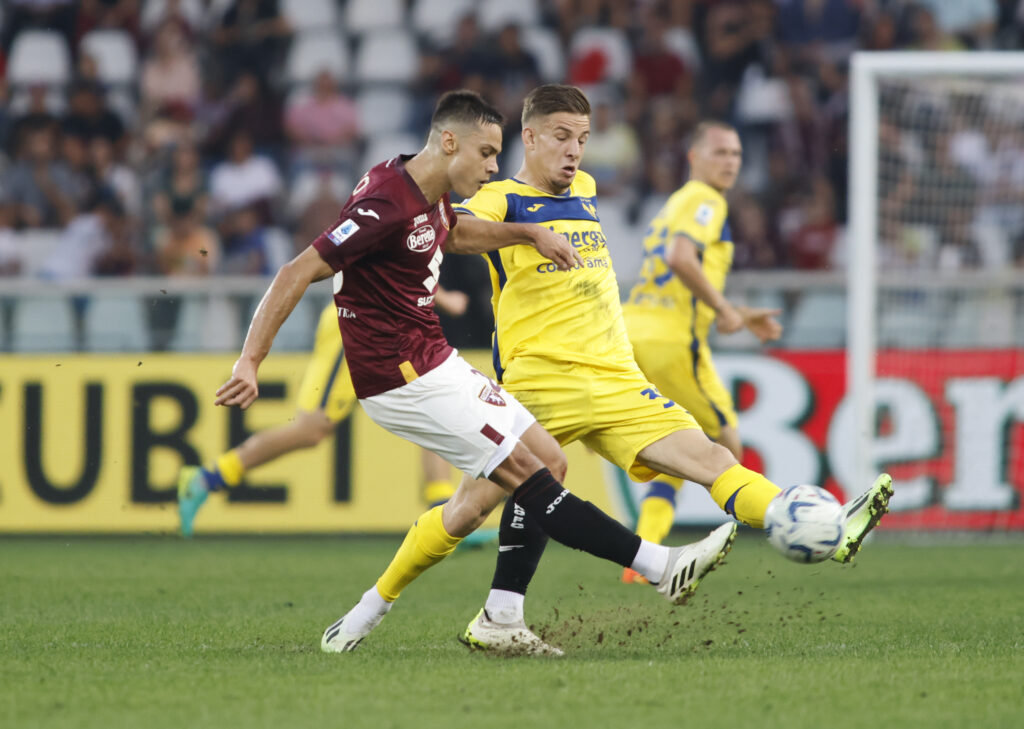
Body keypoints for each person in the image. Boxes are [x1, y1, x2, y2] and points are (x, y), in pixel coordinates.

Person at [213, 90, 739, 655]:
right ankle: (660, 565)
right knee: (529, 474)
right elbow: (297, 270)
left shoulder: (426, 189)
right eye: (486, 154)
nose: (494, 168)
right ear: (447, 141)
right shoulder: (388, 203)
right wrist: (251, 358)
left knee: (550, 461)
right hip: (402, 377)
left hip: (435, 358)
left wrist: (530, 232)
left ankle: (471, 617)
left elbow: (459, 235)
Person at [447, 85, 892, 655]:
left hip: (613, 364)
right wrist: (727, 312)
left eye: (583, 139)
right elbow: (455, 230)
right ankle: (379, 603)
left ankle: (807, 527)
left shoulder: (584, 187)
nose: (576, 151)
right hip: (578, 367)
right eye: (563, 137)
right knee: (473, 507)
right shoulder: (698, 202)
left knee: (709, 455)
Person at [618, 119, 784, 583]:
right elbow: (680, 259)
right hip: (672, 344)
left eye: (736, 154)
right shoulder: (706, 200)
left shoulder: (674, 202)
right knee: (727, 446)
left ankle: (643, 556)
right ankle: (801, 526)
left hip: (634, 333)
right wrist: (724, 310)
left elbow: (672, 274)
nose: (730, 162)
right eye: (720, 153)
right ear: (694, 157)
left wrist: (735, 312)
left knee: (679, 440)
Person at [175, 287, 475, 538]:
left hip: (394, 323)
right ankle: (206, 479)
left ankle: (446, 516)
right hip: (358, 321)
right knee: (311, 429)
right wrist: (444, 298)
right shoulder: (388, 217)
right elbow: (391, 260)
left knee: (427, 400)